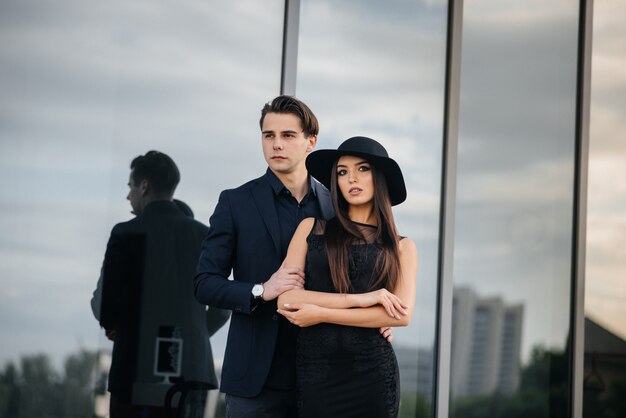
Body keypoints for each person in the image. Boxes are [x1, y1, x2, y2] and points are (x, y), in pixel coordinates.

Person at [194, 95, 335, 417]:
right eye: (268, 135)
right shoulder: (235, 202)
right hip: (254, 380)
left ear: (310, 141)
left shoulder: (335, 207)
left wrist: (378, 318)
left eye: (287, 136)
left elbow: (356, 274)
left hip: (324, 374)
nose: (276, 145)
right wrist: (260, 289)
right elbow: (204, 283)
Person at [276, 136, 418, 418]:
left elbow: (399, 315)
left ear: (380, 178)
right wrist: (367, 299)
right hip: (316, 372)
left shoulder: (402, 247)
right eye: (342, 172)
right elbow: (287, 299)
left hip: (373, 375)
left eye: (362, 169)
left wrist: (320, 313)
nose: (351, 178)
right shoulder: (311, 228)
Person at [96, 151, 229, 418]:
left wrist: (121, 329)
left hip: (135, 368)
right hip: (191, 369)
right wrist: (193, 334)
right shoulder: (204, 235)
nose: (128, 195)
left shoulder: (125, 233)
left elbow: (108, 308)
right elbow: (222, 305)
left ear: (144, 186)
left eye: (130, 186)